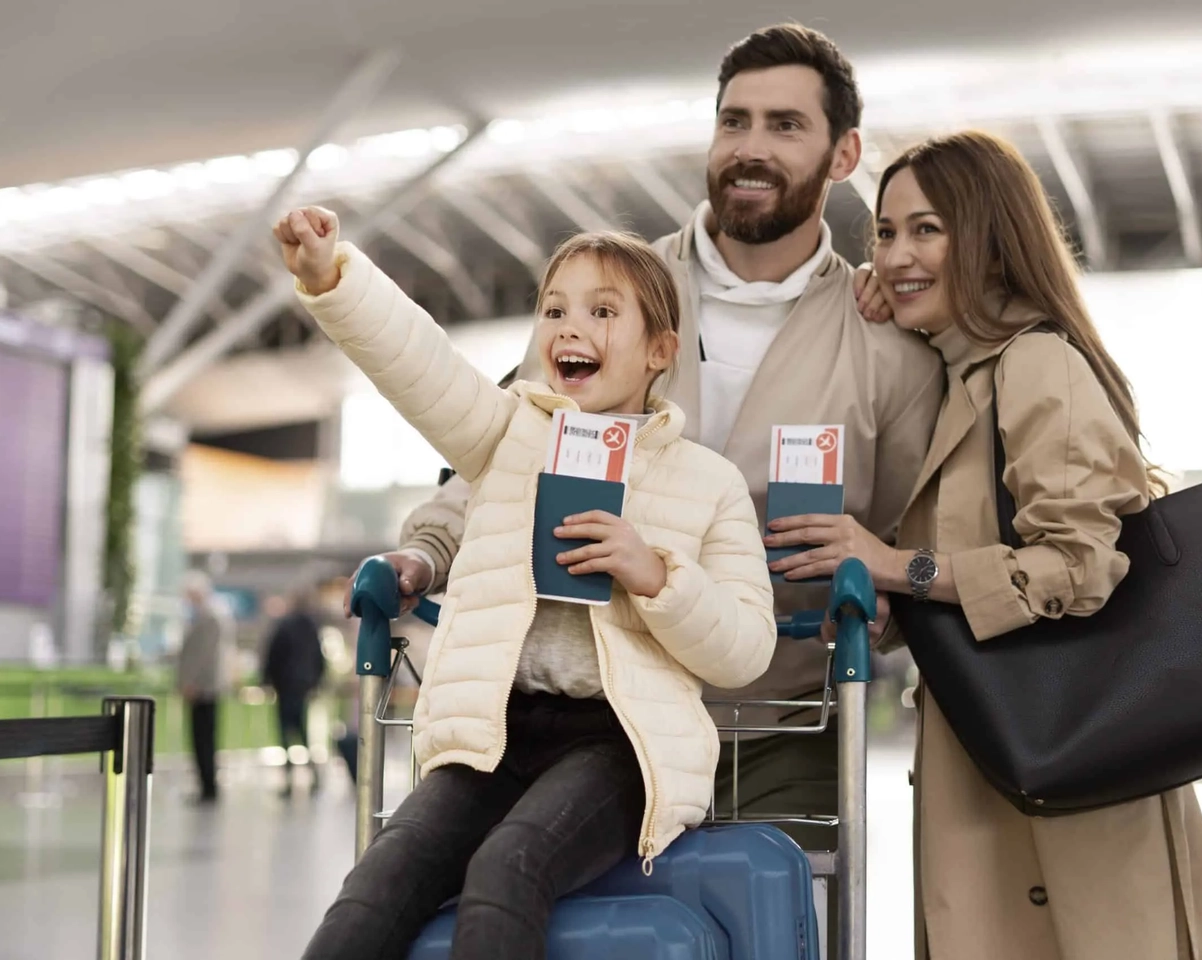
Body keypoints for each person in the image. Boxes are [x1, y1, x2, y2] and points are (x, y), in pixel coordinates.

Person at [343, 22, 944, 850]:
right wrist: (428, 550)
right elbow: (507, 450)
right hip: (593, 721)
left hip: (782, 729)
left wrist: (883, 593)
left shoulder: (888, 347)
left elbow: (917, 537)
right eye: (734, 121)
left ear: (845, 156)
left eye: (786, 125)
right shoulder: (605, 295)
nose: (751, 148)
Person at [274, 205, 777, 960]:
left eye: (603, 311)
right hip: (494, 732)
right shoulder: (510, 436)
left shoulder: (709, 483)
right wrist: (332, 276)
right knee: (377, 885)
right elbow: (422, 365)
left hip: (618, 745)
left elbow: (745, 649)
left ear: (660, 350)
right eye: (555, 309)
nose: (571, 327)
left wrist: (655, 575)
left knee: (509, 868)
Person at [796, 130, 1202, 959]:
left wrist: (897, 563)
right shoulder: (965, 377)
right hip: (1001, 756)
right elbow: (967, 566)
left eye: (927, 229)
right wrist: (888, 606)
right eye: (885, 233)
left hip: (1072, 773)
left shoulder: (1036, 364)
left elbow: (1075, 567)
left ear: (992, 236)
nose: (895, 256)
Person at [261, 586, 327, 797]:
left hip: (285, 685)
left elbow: (273, 655)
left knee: (285, 732)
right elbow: (319, 657)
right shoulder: (311, 626)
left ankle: (289, 779)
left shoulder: (284, 625)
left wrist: (267, 680)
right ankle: (312, 775)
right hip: (303, 685)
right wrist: (316, 681)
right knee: (302, 731)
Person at [175, 571, 233, 805]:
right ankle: (205, 784)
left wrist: (191, 681)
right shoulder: (208, 615)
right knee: (201, 739)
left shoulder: (210, 617)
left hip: (205, 688)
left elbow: (203, 655)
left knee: (204, 738)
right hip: (203, 687)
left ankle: (208, 787)